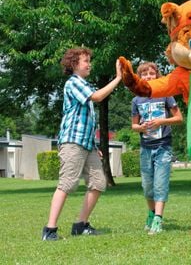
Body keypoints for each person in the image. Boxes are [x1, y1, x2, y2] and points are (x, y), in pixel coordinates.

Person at [42, 47, 122, 241]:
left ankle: (80, 224)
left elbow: (86, 122)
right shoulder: (73, 83)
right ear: (74, 64)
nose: (89, 64)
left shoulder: (84, 84)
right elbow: (97, 97)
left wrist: (94, 146)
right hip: (72, 143)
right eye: (86, 61)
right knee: (67, 184)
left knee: (98, 182)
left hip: (86, 144)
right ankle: (50, 230)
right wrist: (118, 78)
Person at [131, 62, 183, 234]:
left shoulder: (166, 95)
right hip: (145, 147)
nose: (148, 77)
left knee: (160, 184)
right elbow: (134, 125)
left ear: (157, 76)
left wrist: (161, 121)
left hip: (163, 146)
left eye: (151, 73)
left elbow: (178, 118)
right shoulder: (136, 100)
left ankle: (158, 220)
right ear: (140, 78)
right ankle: (152, 213)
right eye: (144, 74)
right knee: (147, 186)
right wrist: (141, 127)